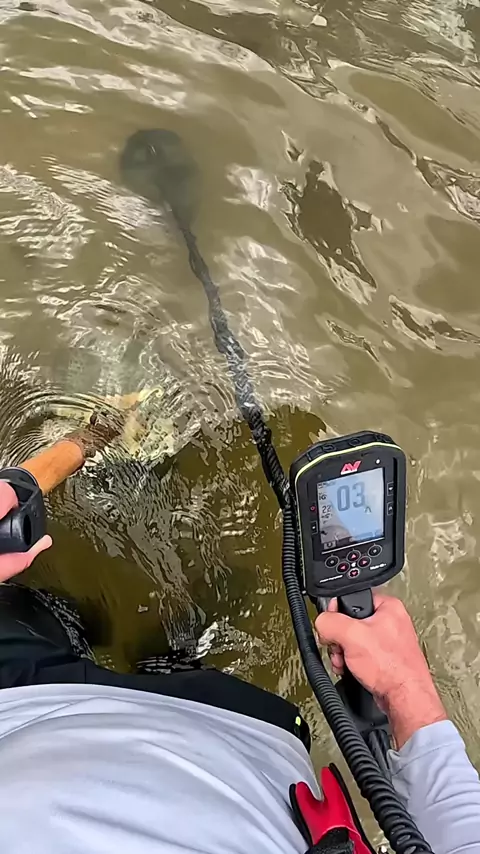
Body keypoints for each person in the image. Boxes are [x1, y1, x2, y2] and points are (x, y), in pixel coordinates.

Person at [0, 481, 478, 854]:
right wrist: (403, 686)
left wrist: (404, 687)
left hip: (34, 708)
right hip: (243, 737)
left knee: (35, 613)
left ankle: (129, 634)